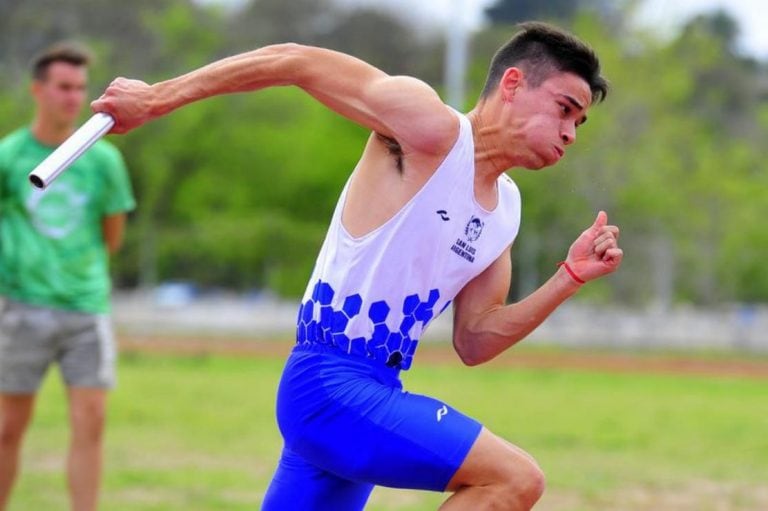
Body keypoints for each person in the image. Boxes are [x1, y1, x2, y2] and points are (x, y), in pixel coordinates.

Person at [92, 21, 622, 511]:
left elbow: (476, 340)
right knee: (515, 479)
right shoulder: (430, 130)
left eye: (579, 121)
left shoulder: (505, 211)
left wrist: (568, 278)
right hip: (328, 383)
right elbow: (294, 60)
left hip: (373, 392)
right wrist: (156, 98)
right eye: (563, 108)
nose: (571, 132)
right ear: (512, 84)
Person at [0, 42, 136, 511]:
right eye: (62, 87)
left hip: (85, 308)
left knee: (91, 422)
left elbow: (112, 235)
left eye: (80, 88)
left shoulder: (102, 160)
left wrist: (78, 272)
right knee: (7, 429)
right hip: (21, 307)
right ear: (38, 89)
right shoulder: (10, 156)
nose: (72, 98)